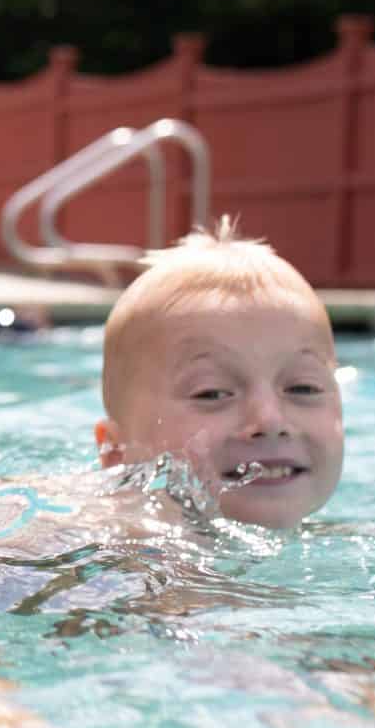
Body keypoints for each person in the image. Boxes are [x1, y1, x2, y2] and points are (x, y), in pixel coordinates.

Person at [94, 220, 343, 531]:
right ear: (117, 453)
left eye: (303, 388)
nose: (270, 421)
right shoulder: (91, 547)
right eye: (211, 393)